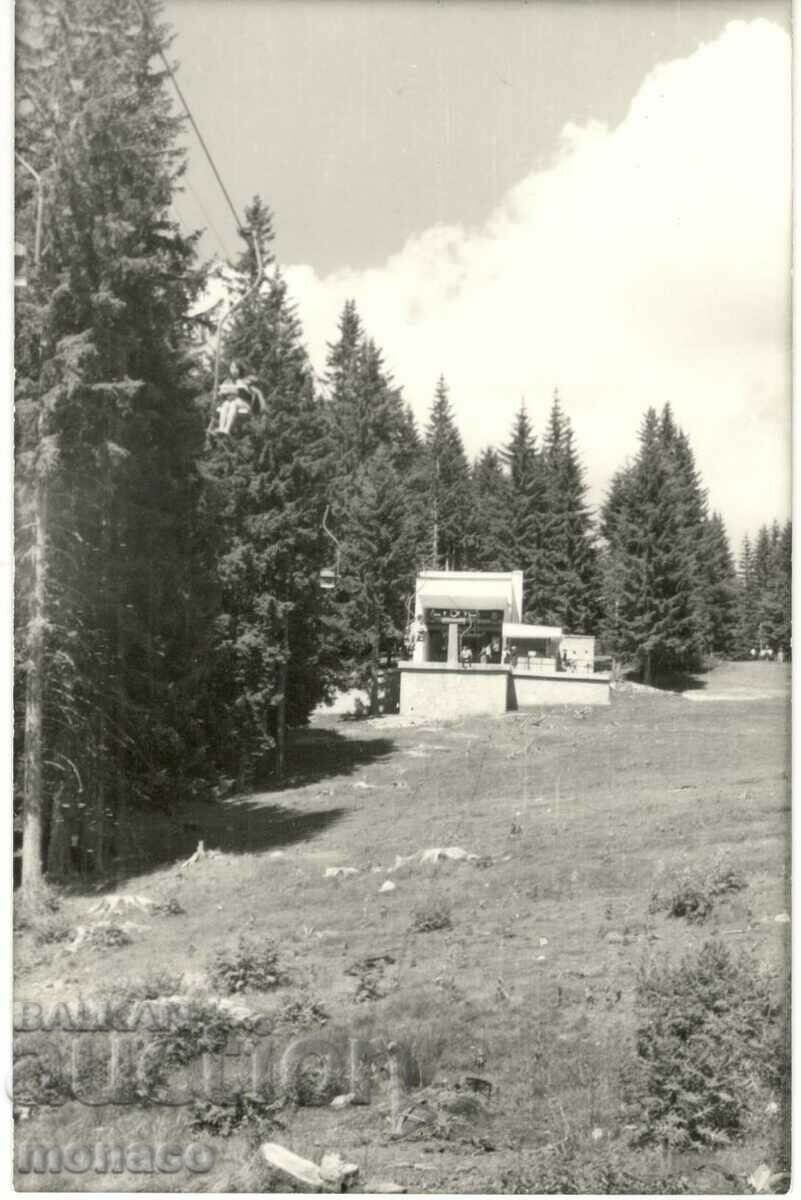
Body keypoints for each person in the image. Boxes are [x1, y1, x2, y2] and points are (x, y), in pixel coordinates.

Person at [213, 360, 266, 435]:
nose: (233, 370)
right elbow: (222, 392)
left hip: (246, 405)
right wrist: (222, 392)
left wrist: (246, 386)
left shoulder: (246, 379)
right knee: (225, 404)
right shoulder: (228, 380)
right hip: (234, 403)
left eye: (236, 368)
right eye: (232, 367)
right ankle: (221, 427)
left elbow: (255, 385)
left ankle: (227, 429)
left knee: (234, 403)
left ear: (240, 369)